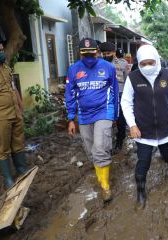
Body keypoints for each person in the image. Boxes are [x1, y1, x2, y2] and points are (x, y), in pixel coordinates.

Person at [121, 44, 168, 210]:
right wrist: (132, 125)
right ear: (138, 63)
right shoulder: (133, 78)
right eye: (143, 63)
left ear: (156, 60)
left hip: (165, 128)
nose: (147, 66)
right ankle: (141, 190)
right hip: (143, 129)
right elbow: (125, 103)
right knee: (143, 161)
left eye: (150, 62)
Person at [65, 38, 119, 202]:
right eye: (85, 54)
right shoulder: (73, 69)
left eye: (91, 53)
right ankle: (100, 176)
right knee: (91, 150)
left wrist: (114, 115)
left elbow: (115, 92)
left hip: (104, 111)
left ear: (97, 52)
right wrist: (70, 118)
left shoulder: (108, 67)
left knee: (100, 147)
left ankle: (105, 186)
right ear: (80, 54)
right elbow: (70, 94)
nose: (89, 56)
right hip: (83, 115)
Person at [0, 36, 29, 189]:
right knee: (2, 149)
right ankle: (8, 179)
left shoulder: (5, 66)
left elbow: (13, 88)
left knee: (18, 144)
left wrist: (21, 109)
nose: (2, 52)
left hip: (15, 114)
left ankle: (22, 170)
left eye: (2, 49)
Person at [99, 42, 129, 153]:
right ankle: (107, 144)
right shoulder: (98, 65)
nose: (106, 55)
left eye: (108, 53)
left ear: (113, 52)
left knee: (120, 120)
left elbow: (128, 80)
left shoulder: (122, 64)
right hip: (103, 96)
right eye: (104, 53)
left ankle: (120, 140)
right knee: (105, 120)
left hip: (120, 95)